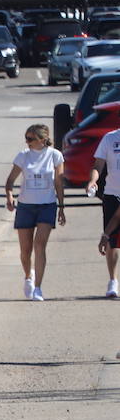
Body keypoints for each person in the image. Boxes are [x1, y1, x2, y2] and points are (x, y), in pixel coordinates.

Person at [4, 123, 66, 301]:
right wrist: (9, 196)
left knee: (40, 245)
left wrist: (61, 207)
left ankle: (38, 287)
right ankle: (28, 276)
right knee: (26, 250)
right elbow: (10, 181)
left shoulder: (55, 155)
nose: (27, 142)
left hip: (47, 205)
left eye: (30, 139)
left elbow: (59, 183)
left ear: (43, 139)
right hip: (25, 206)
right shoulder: (23, 156)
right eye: (26, 138)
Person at [87, 117, 120, 297]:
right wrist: (93, 181)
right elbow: (98, 164)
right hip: (112, 194)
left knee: (109, 233)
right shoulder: (109, 138)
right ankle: (113, 280)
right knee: (112, 241)